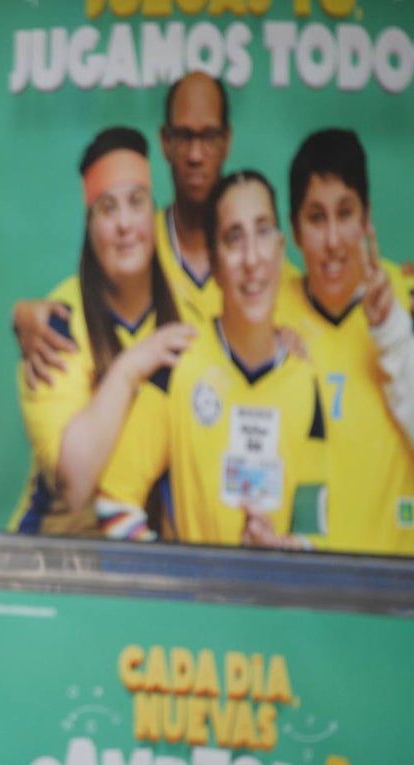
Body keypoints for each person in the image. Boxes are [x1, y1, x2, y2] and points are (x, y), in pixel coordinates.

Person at [96, 171, 327, 549]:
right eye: (234, 238)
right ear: (215, 264)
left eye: (263, 231)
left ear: (281, 250)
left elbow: (315, 531)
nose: (252, 258)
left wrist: (285, 551)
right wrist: (175, 574)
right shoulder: (178, 366)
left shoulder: (305, 380)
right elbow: (113, 504)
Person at [275, 128, 414, 557]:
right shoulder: (267, 310)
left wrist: (392, 332)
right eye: (316, 218)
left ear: (367, 218)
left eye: (345, 213)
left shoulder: (409, 299)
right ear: (294, 230)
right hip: (301, 584)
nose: (333, 240)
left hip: (394, 583)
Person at [9, 127, 195, 537]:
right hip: (55, 550)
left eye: (136, 202)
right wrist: (130, 368)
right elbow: (75, 484)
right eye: (108, 209)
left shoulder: (187, 310)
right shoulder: (58, 325)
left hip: (146, 550)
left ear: (154, 214)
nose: (125, 224)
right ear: (90, 226)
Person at [12, 72, 231, 390]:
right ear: (166, 142)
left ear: (227, 140)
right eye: (184, 136)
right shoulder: (135, 245)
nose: (196, 155)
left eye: (209, 136)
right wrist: (22, 317)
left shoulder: (256, 265)